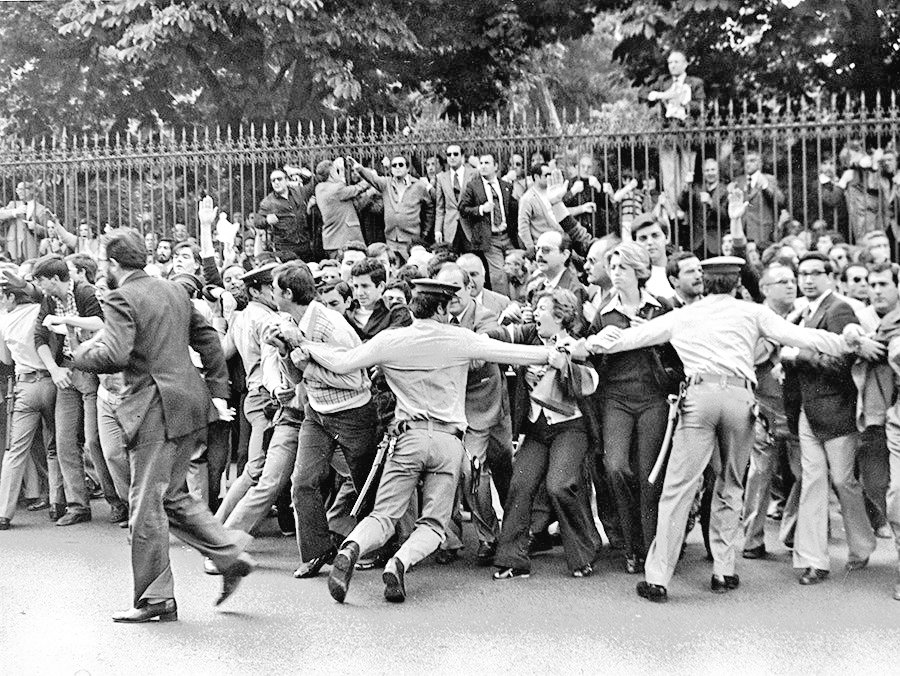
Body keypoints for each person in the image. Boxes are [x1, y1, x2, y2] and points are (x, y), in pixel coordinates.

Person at [583, 255, 873, 603]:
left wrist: (594, 342)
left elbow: (632, 339)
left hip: (699, 398)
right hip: (740, 398)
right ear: (737, 283)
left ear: (705, 282)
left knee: (678, 489)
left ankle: (658, 576)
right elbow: (800, 336)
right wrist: (846, 341)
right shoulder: (752, 313)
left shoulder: (684, 314)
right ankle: (724, 570)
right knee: (731, 484)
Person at [297, 278, 553, 603]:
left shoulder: (390, 340)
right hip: (447, 442)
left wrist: (305, 347)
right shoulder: (459, 338)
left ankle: (352, 547)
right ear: (443, 308)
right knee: (433, 524)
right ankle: (399, 563)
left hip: (407, 438)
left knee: (383, 516)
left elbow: (342, 362)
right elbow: (511, 352)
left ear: (413, 308)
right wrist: (552, 354)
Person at [72, 219, 254, 623]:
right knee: (171, 498)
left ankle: (156, 599)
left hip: (155, 408)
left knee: (144, 505)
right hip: (191, 404)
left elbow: (116, 355)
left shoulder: (120, 298)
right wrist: (218, 390)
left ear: (113, 262)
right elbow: (207, 338)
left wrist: (81, 355)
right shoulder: (173, 289)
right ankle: (229, 555)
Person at [491, 288, 600, 580]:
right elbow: (496, 336)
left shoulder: (575, 346)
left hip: (571, 427)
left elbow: (591, 381)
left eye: (542, 308)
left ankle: (584, 551)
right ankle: (512, 560)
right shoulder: (528, 336)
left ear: (561, 315)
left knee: (560, 485)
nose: (535, 313)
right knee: (520, 483)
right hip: (537, 428)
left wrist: (565, 364)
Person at [784, 252, 877, 585]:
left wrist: (797, 356)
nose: (807, 279)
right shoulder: (804, 311)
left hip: (836, 409)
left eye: (814, 273)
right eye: (802, 274)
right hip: (809, 411)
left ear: (830, 276)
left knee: (842, 481)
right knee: (813, 481)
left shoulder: (839, 309)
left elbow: (841, 362)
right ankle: (814, 561)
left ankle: (862, 544)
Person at [589, 242, 679, 574]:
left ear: (639, 272)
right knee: (616, 467)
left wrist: (648, 334)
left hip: (653, 395)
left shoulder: (662, 306)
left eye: (623, 268)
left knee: (647, 475)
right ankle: (630, 544)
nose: (616, 273)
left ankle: (650, 548)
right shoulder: (603, 310)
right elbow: (592, 356)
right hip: (616, 397)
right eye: (612, 267)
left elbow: (677, 353)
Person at [32, 255, 124, 526]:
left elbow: (100, 322)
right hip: (67, 370)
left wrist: (68, 321)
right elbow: (39, 337)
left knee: (95, 442)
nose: (41, 288)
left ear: (55, 279)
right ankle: (77, 505)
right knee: (64, 440)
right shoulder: (49, 300)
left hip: (92, 371)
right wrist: (54, 370)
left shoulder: (84, 291)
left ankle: (116, 501)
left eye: (42, 282)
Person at [741, 263, 801, 558]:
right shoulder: (752, 318)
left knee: (806, 474)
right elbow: (748, 358)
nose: (791, 285)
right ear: (764, 288)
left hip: (799, 409)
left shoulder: (804, 314)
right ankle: (752, 539)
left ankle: (792, 532)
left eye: (793, 280)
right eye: (782, 281)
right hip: (764, 406)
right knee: (760, 474)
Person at [0, 273, 62, 530]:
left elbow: (5, 360)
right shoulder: (42, 310)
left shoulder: (4, 321)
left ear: (11, 296)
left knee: (15, 450)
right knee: (54, 444)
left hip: (25, 384)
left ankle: (4, 512)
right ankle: (58, 504)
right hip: (52, 380)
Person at [351, 155, 434, 261]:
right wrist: (359, 168)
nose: (397, 167)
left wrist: (426, 230)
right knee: (393, 268)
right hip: (391, 239)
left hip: (411, 239)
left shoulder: (418, 186)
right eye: (394, 165)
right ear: (391, 169)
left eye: (401, 165)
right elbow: (373, 178)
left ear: (407, 168)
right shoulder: (386, 184)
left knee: (410, 268)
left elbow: (429, 207)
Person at [646, 51, 705, 200]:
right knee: (669, 176)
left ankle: (686, 212)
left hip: (688, 133)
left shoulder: (695, 82)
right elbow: (644, 93)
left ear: (685, 64)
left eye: (676, 62)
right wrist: (656, 95)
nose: (672, 65)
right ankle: (673, 215)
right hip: (666, 132)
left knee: (687, 174)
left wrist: (684, 102)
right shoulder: (663, 82)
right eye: (670, 62)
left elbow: (701, 106)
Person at [458, 153, 519, 296]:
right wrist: (480, 209)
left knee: (515, 271)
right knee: (498, 276)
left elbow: (513, 210)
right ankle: (503, 308)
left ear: (496, 167)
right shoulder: (473, 186)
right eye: (481, 163)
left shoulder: (506, 186)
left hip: (508, 236)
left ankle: (518, 304)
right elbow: (462, 209)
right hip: (490, 238)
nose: (483, 166)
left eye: (487, 163)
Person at [314, 158, 369, 258]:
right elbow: (358, 188)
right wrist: (369, 177)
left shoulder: (319, 188)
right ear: (331, 173)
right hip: (345, 240)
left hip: (331, 241)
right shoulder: (337, 189)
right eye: (336, 171)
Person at [257, 169, 314, 261]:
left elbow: (314, 183)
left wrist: (300, 172)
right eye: (273, 180)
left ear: (287, 180)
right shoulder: (268, 202)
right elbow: (257, 221)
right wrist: (266, 220)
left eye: (279, 179)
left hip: (304, 245)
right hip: (285, 248)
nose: (276, 182)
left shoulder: (299, 192)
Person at [732, 151, 786, 245]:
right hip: (742, 229)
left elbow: (780, 201)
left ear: (760, 163)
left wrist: (765, 186)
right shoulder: (738, 181)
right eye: (746, 162)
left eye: (752, 161)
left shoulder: (769, 179)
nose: (748, 164)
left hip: (761, 229)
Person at [434, 144, 477, 250]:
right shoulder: (441, 178)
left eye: (455, 154)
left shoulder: (474, 174)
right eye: (449, 155)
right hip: (450, 227)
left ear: (462, 156)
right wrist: (438, 230)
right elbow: (440, 208)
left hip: (470, 226)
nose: (452, 157)